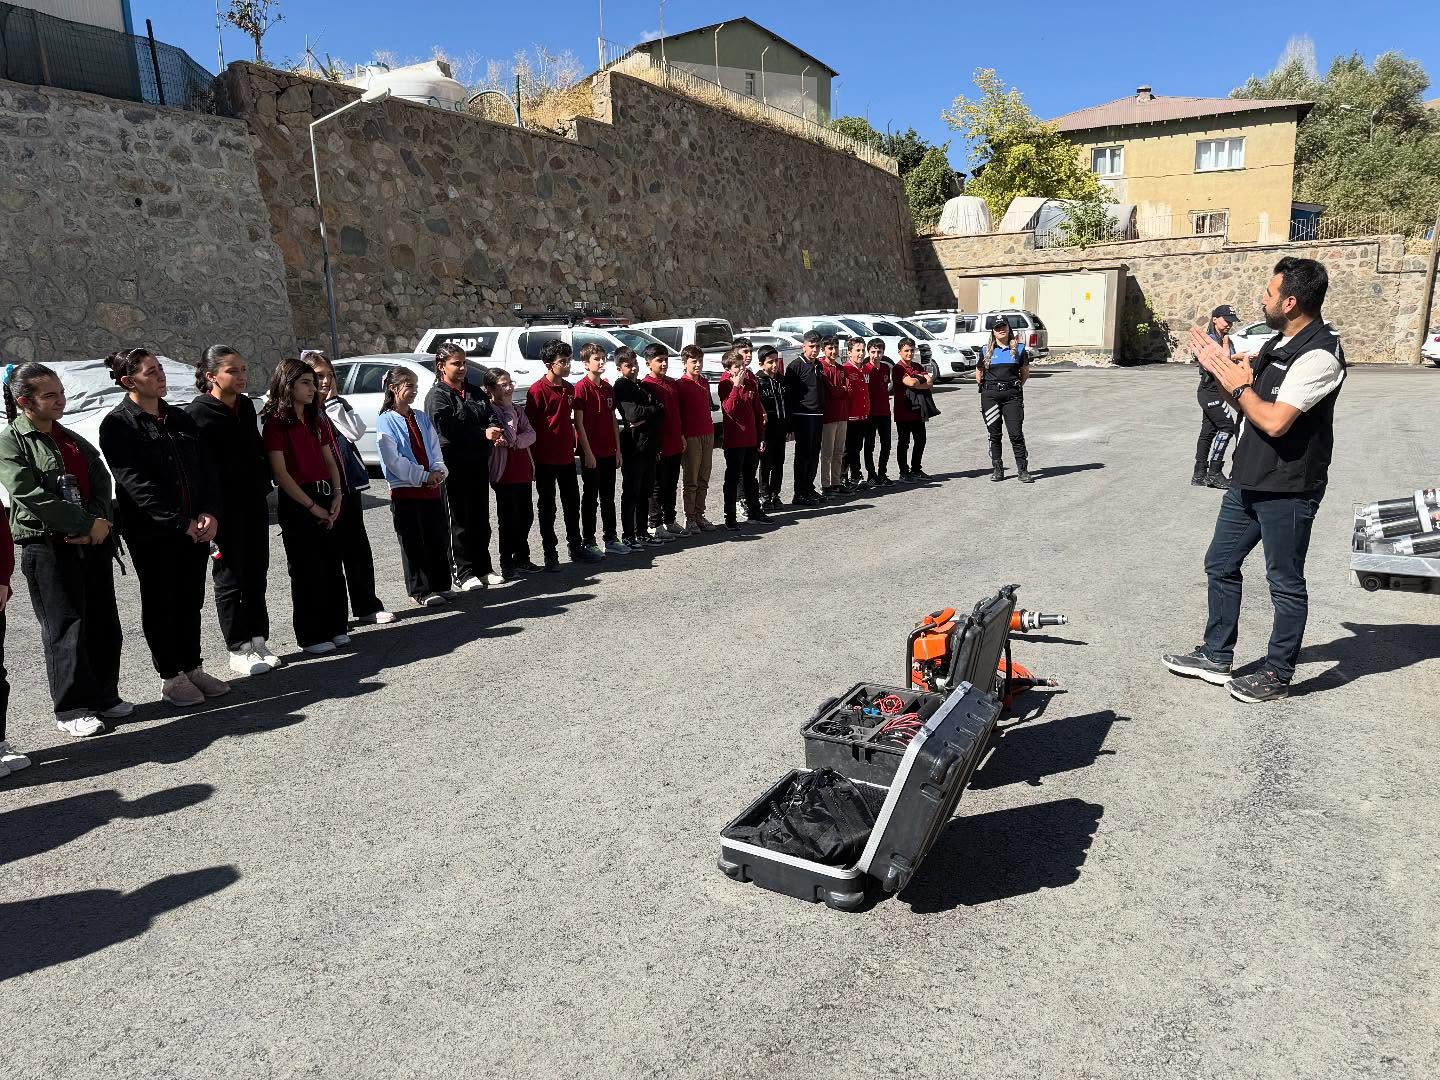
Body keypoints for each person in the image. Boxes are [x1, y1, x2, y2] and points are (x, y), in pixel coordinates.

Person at [1163, 257, 1345, 705]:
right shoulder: (1277, 343)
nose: (1260, 301)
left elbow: (1274, 420)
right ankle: (1216, 655)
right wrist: (1221, 370)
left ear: (1290, 301)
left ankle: (1277, 674)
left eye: (1267, 294)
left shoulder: (1320, 355)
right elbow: (1245, 400)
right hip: (1248, 478)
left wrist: (1242, 386)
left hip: (1289, 487)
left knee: (1284, 582)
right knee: (1220, 562)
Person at [0, 363, 128, 740]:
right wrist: (83, 524)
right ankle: (72, 707)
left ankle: (105, 695)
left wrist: (100, 521)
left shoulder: (67, 436)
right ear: (25, 402)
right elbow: (27, 493)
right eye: (49, 395)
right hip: (47, 545)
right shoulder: (12, 441)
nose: (60, 401)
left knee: (103, 621)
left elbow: (100, 476)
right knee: (65, 626)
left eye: (61, 392)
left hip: (92, 541)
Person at [99, 348, 230, 707]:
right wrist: (180, 523)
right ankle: (171, 676)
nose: (160, 377)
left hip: (197, 527)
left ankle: (193, 665)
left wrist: (209, 513)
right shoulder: (118, 425)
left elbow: (206, 470)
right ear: (129, 381)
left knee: (190, 599)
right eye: (151, 372)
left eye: (160, 369)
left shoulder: (179, 418)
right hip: (155, 533)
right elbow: (137, 486)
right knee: (162, 601)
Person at [188, 346, 279, 677]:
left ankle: (258, 639)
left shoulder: (246, 406)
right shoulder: (197, 413)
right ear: (212, 376)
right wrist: (205, 510)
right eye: (232, 371)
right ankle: (237, 647)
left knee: (257, 573)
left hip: (253, 503)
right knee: (230, 577)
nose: (240, 376)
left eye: (243, 370)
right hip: (221, 511)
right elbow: (198, 469)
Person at [261, 357, 351, 652]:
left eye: (314, 383)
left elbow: (330, 459)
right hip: (299, 501)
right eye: (305, 383)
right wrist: (312, 506)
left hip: (327, 494)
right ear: (288, 385)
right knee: (306, 569)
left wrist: (337, 495)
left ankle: (336, 625)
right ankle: (312, 635)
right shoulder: (275, 424)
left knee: (331, 565)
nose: (313, 389)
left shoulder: (316, 419)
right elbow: (281, 474)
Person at [307, 350, 392, 625]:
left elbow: (355, 432)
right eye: (318, 376)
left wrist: (334, 406)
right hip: (322, 490)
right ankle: (336, 616)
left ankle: (367, 605)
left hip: (350, 484)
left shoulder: (338, 404)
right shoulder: (304, 410)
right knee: (329, 554)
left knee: (357, 547)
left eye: (329, 375)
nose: (325, 382)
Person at [422, 343, 503, 589]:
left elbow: (490, 415)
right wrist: (482, 434)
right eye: (456, 363)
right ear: (441, 366)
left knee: (480, 518)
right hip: (454, 466)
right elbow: (448, 431)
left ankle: (483, 567)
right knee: (459, 521)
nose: (462, 368)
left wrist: (493, 430)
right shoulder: (437, 397)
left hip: (478, 463)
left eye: (464, 363)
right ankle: (463, 572)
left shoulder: (474, 391)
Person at [377, 365, 453, 605]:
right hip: (406, 490)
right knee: (413, 540)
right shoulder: (386, 421)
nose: (414, 391)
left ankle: (441, 583)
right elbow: (393, 460)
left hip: (431, 488)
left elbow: (434, 447)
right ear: (394, 388)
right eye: (409, 386)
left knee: (436, 536)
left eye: (415, 387)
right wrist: (422, 476)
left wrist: (439, 470)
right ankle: (420, 590)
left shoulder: (419, 417)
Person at [526, 341, 600, 570]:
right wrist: (532, 462)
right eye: (562, 362)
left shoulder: (569, 388)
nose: (567, 365)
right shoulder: (537, 391)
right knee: (547, 507)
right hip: (545, 459)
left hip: (566, 458)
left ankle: (575, 546)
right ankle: (550, 552)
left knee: (572, 503)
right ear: (550, 365)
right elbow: (530, 426)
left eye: (569, 360)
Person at [485, 367, 540, 575]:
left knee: (526, 515)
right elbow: (508, 433)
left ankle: (522, 557)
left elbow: (530, 433)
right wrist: (508, 409)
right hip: (504, 472)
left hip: (523, 468)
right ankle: (506, 562)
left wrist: (516, 442)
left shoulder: (518, 409)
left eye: (510, 383)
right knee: (508, 518)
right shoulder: (491, 410)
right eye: (503, 385)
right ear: (491, 388)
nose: (509, 388)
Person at [573, 342, 627, 555]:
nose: (602, 361)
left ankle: (611, 538)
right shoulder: (581, 388)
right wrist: (587, 452)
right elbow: (579, 423)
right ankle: (589, 540)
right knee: (590, 497)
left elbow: (613, 419)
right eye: (597, 358)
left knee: (608, 497)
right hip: (592, 454)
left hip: (609, 451)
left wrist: (618, 450)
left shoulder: (607, 388)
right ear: (586, 364)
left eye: (604, 357)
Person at [613, 346, 665, 550]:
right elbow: (632, 414)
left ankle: (642, 531)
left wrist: (648, 413)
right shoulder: (621, 386)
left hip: (649, 446)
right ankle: (628, 534)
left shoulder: (644, 387)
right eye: (628, 365)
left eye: (634, 364)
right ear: (619, 368)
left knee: (646, 491)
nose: (633, 368)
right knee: (631, 492)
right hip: (633, 447)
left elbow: (662, 412)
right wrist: (648, 412)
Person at [719, 349, 769, 529]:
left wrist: (761, 436)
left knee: (751, 477)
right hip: (734, 440)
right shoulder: (725, 384)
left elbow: (757, 412)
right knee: (732, 478)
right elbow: (729, 409)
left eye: (743, 365)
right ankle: (730, 516)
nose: (741, 369)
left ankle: (755, 510)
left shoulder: (751, 384)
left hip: (751, 438)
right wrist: (736, 386)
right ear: (728, 369)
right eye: (737, 367)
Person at [977, 319, 1031, 483]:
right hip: (990, 397)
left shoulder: (1020, 350)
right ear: (993, 331)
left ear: (1009, 329)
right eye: (997, 328)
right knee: (994, 434)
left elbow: (1025, 373)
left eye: (1003, 327)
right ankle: (998, 469)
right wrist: (989, 389)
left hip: (1012, 397)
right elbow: (979, 374)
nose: (1001, 330)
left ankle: (1022, 470)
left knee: (1016, 434)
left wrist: (1012, 387)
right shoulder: (986, 350)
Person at [1192, 305, 1240, 489]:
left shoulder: (1225, 340)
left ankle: (1199, 474)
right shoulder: (1208, 340)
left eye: (1232, 321)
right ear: (1214, 319)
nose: (1229, 324)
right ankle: (1214, 473)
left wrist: (1242, 357)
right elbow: (1209, 365)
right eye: (1226, 320)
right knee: (1227, 427)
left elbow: (1229, 361)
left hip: (1219, 391)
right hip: (1209, 391)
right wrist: (1227, 357)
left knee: (1208, 431)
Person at [643, 343, 686, 539]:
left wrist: (682, 435)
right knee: (657, 485)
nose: (664, 363)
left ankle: (670, 520)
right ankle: (655, 523)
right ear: (648, 363)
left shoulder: (672, 383)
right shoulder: (646, 386)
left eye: (665, 359)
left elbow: (677, 413)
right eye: (659, 360)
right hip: (658, 445)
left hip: (675, 442)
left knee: (671, 483)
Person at [676, 344, 717, 534]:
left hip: (707, 433)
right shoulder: (680, 385)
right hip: (691, 436)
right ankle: (689, 517)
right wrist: (682, 436)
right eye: (694, 361)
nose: (698, 365)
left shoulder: (704, 382)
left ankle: (700, 513)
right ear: (685, 363)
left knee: (704, 476)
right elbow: (678, 414)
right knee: (691, 479)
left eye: (700, 360)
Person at [784, 331, 825, 505]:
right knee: (803, 455)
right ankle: (799, 492)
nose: (815, 350)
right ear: (804, 346)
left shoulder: (819, 366)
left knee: (814, 454)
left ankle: (809, 488)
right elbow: (788, 396)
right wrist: (789, 423)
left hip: (818, 415)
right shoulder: (795, 366)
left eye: (817, 347)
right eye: (811, 347)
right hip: (802, 416)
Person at [892, 339, 935, 482]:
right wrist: (918, 379)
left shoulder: (917, 365)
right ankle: (904, 472)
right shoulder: (898, 368)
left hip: (918, 410)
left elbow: (930, 383)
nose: (909, 353)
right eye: (906, 350)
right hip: (904, 410)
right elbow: (910, 382)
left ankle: (916, 469)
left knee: (920, 440)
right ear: (900, 352)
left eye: (911, 350)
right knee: (904, 442)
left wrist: (917, 380)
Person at [755, 346, 788, 509]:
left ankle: (775, 493)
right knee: (766, 463)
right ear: (762, 364)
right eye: (770, 362)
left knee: (779, 462)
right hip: (767, 430)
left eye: (776, 361)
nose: (774, 365)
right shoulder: (758, 381)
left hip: (781, 428)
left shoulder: (781, 380)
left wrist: (788, 426)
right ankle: (764, 494)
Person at [818, 336, 849, 495]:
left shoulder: (841, 368)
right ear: (824, 350)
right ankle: (826, 484)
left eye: (836, 347)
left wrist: (842, 390)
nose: (834, 351)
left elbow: (847, 390)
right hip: (828, 416)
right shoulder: (821, 367)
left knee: (839, 451)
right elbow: (831, 391)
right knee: (827, 452)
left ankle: (836, 482)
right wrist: (842, 389)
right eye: (830, 348)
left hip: (842, 414)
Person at [863, 338, 893, 486]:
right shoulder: (864, 369)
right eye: (873, 352)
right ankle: (871, 474)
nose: (876, 355)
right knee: (869, 445)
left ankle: (882, 473)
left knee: (886, 444)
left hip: (885, 412)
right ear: (868, 352)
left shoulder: (886, 368)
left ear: (883, 353)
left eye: (879, 352)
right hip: (870, 414)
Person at [842, 337, 871, 487]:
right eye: (857, 350)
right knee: (848, 449)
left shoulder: (865, 369)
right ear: (849, 352)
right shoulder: (845, 369)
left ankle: (856, 475)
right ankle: (842, 477)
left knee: (857, 448)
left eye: (862, 350)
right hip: (850, 416)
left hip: (863, 415)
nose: (861, 354)